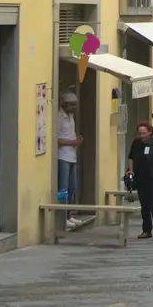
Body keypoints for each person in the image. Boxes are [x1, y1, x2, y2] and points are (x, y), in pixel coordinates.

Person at [56, 92, 84, 229]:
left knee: (72, 188)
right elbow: (56, 140)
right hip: (62, 156)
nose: (74, 107)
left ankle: (68, 215)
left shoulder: (71, 116)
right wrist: (73, 142)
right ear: (64, 104)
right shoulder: (59, 117)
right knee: (63, 189)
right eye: (71, 104)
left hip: (72, 156)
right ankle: (62, 217)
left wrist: (76, 141)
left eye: (75, 105)